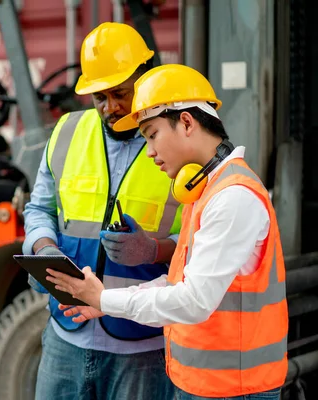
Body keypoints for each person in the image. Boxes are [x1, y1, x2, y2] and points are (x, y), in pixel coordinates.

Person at [47, 64, 288, 400]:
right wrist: (107, 304)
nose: (149, 151)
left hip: (235, 389)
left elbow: (194, 301)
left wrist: (103, 297)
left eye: (152, 134)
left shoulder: (232, 197)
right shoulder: (207, 191)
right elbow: (180, 284)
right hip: (209, 385)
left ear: (187, 122)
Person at [22, 22, 182, 399]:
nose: (110, 108)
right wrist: (42, 247)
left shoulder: (177, 142)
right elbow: (39, 207)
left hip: (142, 344)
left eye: (120, 94)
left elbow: (201, 236)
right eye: (99, 97)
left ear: (145, 79)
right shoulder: (66, 132)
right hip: (67, 333)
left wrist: (157, 249)